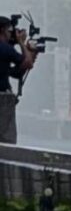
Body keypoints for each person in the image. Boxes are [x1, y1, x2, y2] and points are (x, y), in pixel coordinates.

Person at [0, 17, 37, 145]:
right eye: (10, 30)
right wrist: (22, 43)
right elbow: (27, 63)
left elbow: (14, 72)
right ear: (2, 30)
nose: (12, 34)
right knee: (5, 139)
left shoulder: (5, 50)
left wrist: (31, 53)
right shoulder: (5, 48)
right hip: (2, 100)